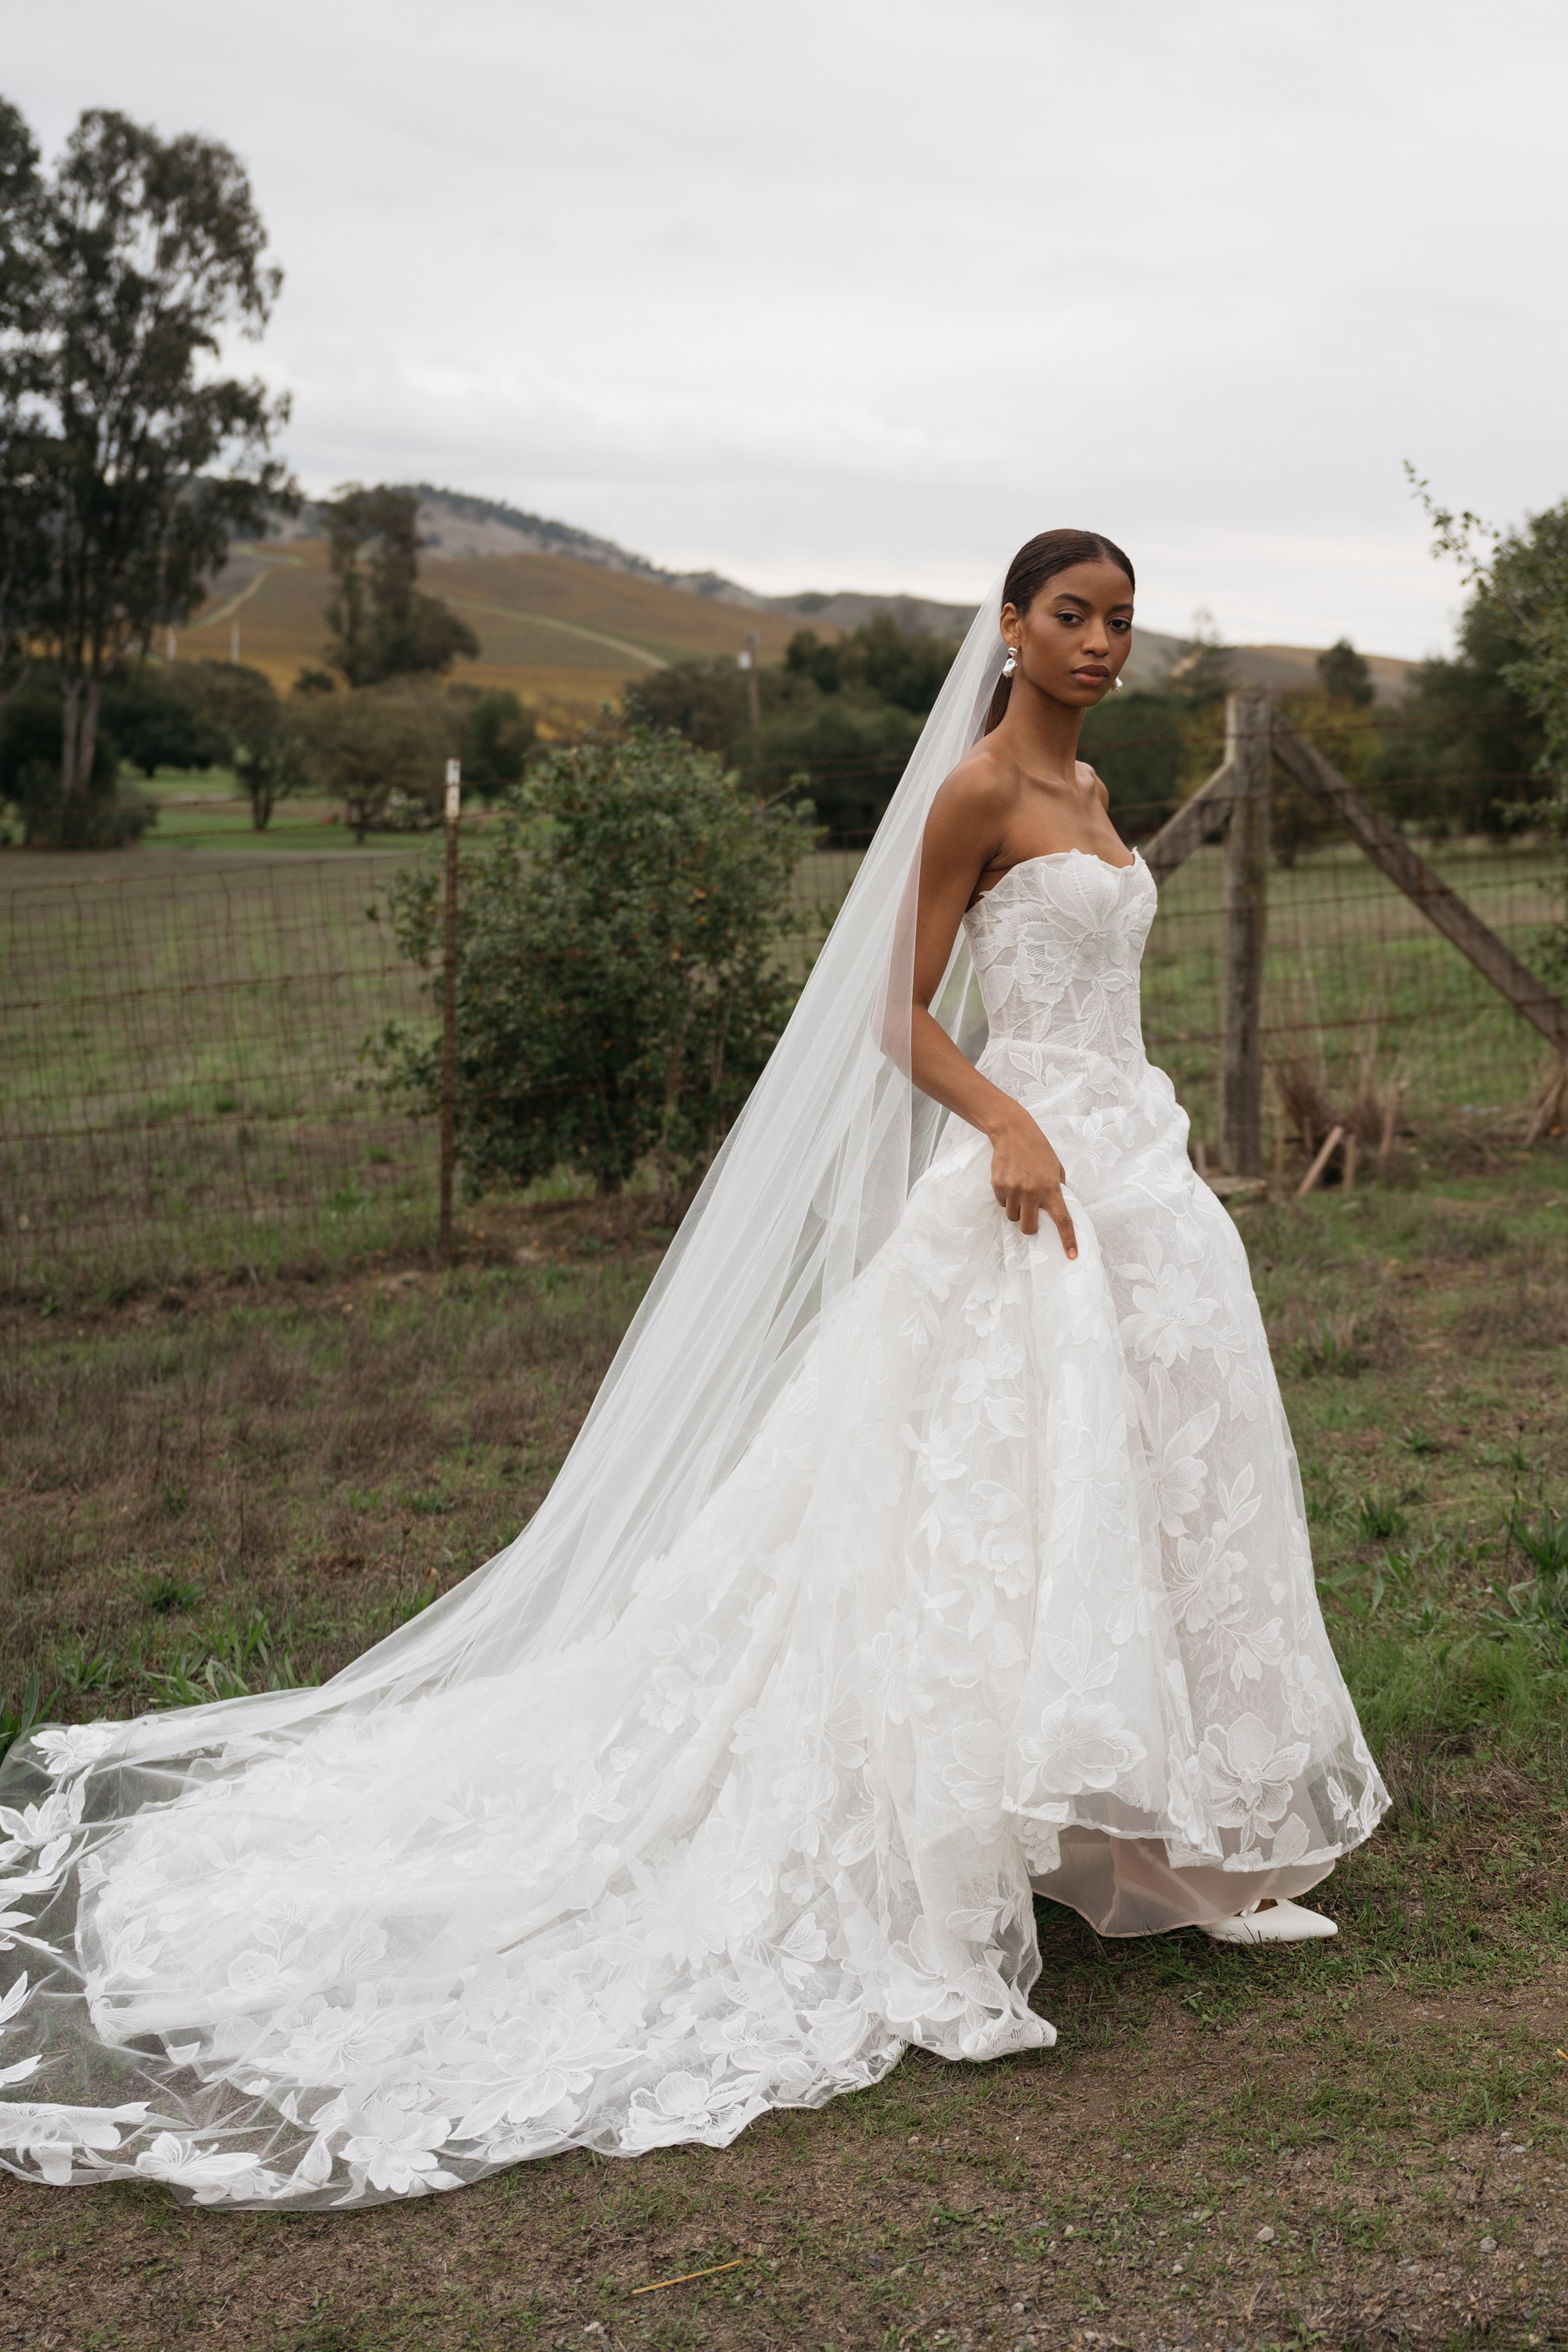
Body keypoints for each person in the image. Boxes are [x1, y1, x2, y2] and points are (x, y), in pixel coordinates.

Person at [0, 531, 1386, 2210]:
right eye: (1072, 617)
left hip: (1141, 1177)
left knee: (1162, 1479)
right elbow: (899, 1019)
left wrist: (1109, 1129)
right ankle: (983, 1826)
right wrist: (1012, 1120)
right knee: (985, 1493)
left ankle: (1178, 1846)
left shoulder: (1099, 799)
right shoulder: (973, 796)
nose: (1101, 644)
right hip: (1027, 1173)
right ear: (1010, 627)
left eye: (1121, 624)